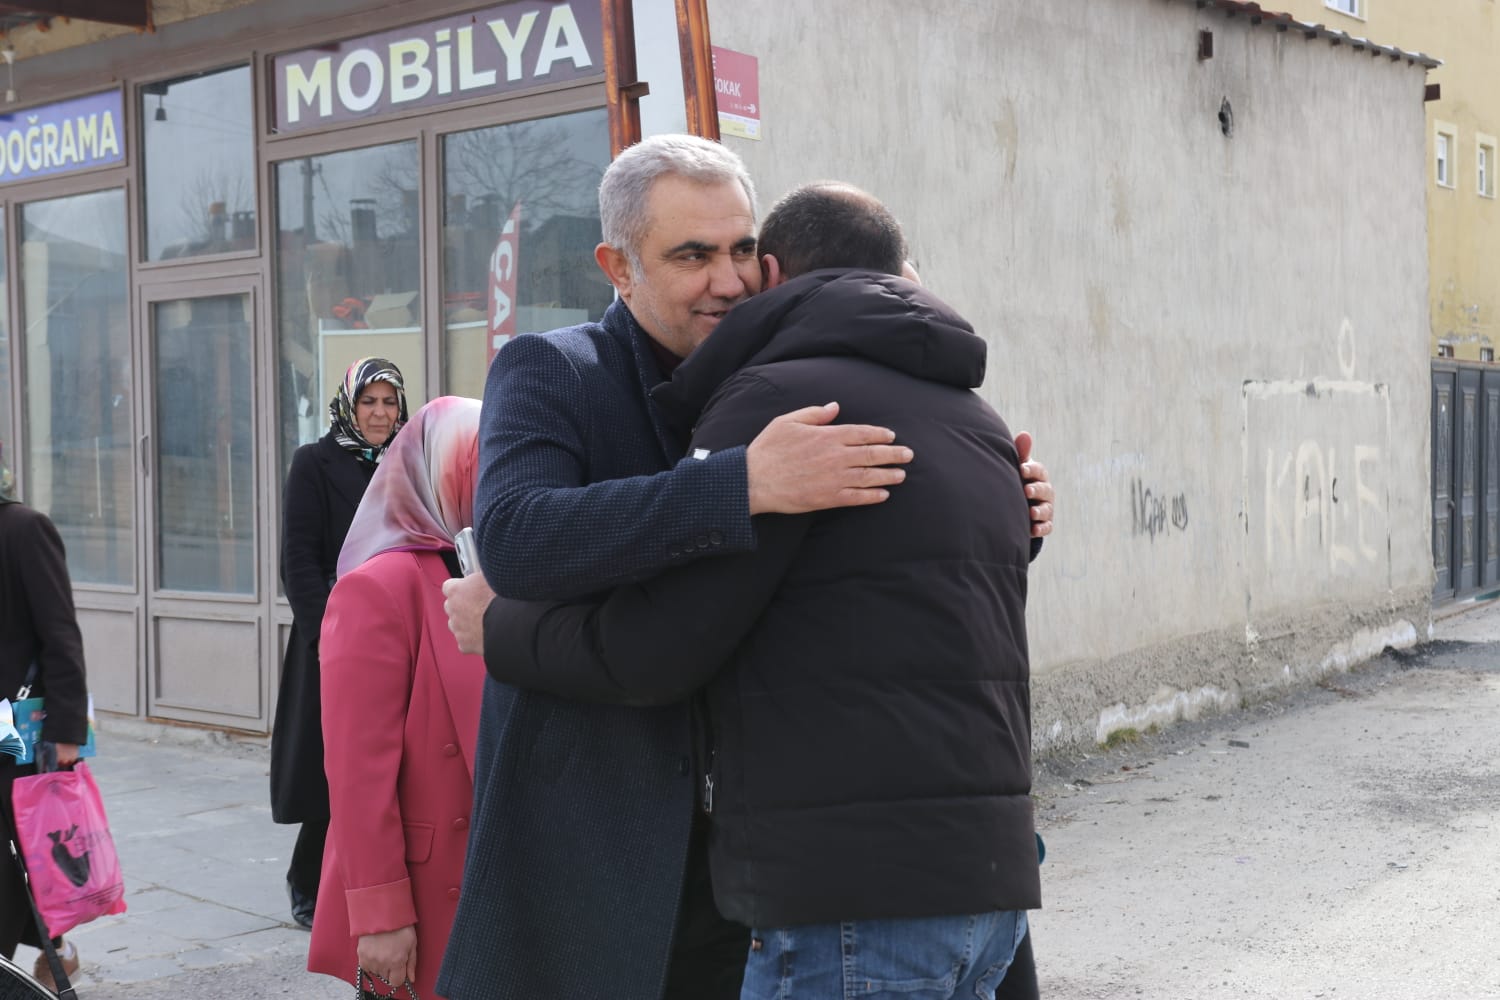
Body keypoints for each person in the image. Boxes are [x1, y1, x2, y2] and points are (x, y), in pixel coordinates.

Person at [438, 136, 1054, 1000]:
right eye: (691, 256)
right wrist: (738, 485)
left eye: (738, 251)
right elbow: (516, 536)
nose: (727, 281)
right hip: (608, 855)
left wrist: (1011, 509)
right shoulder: (555, 369)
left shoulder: (794, 381)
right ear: (618, 265)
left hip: (777, 864)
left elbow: (872, 569)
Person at [307, 396, 486, 1000]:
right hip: (425, 887)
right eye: (478, 464)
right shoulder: (378, 586)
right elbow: (357, 773)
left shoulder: (485, 570)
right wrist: (380, 914)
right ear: (439, 472)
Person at [270, 358, 407, 929]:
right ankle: (309, 882)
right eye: (369, 402)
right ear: (349, 405)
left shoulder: (406, 460)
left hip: (398, 630)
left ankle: (377, 877)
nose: (379, 413)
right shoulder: (314, 461)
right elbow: (298, 560)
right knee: (334, 767)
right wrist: (327, 632)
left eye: (389, 402)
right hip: (337, 635)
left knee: (388, 764)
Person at [0, 440, 89, 989]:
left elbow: (60, 634)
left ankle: (43, 952)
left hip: (15, 730)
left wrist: (66, 732)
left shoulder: (23, 528)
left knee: (18, 852)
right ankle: (52, 948)